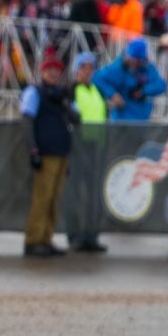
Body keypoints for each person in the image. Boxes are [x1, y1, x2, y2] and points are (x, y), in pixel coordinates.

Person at [20, 52, 79, 257]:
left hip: (62, 152)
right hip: (46, 152)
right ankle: (34, 240)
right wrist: (33, 150)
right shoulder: (35, 92)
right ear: (43, 72)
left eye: (57, 71)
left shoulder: (61, 95)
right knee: (42, 198)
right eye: (50, 70)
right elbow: (27, 120)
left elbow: (77, 118)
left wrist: (66, 102)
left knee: (54, 199)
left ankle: (46, 238)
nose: (54, 74)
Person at [66, 53, 108, 253]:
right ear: (77, 70)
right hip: (77, 147)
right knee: (75, 194)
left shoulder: (97, 90)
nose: (87, 71)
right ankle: (74, 236)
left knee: (93, 194)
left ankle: (91, 235)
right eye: (83, 67)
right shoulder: (71, 91)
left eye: (90, 67)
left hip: (94, 147)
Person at [92, 38, 166, 122]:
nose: (133, 62)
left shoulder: (147, 68)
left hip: (142, 120)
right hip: (121, 120)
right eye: (132, 58)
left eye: (137, 59)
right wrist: (112, 94)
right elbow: (97, 78)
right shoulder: (118, 67)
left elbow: (161, 86)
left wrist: (143, 91)